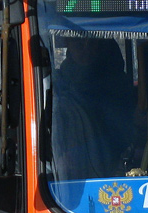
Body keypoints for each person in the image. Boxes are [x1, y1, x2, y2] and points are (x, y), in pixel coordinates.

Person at [50, 37, 137, 179]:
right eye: (78, 43)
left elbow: (125, 131)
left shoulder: (118, 86)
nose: (86, 49)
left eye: (92, 43)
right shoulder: (57, 84)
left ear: (100, 47)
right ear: (68, 44)